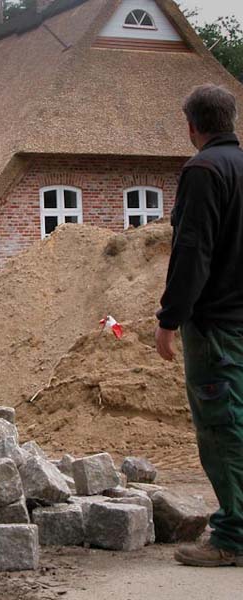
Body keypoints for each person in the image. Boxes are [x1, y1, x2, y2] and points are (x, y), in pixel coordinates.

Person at [156, 83, 243, 567]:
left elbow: (192, 254)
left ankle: (233, 538)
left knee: (222, 427)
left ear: (191, 125)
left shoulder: (204, 171)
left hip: (216, 327)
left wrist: (169, 319)